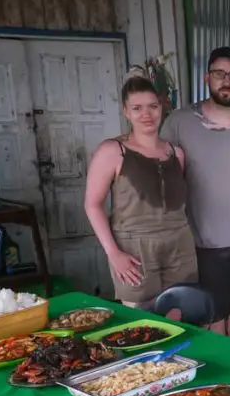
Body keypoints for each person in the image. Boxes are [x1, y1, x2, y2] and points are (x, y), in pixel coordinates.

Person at [162, 46, 230, 341]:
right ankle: (221, 373)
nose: (227, 81)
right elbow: (162, 176)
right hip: (204, 240)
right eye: (219, 74)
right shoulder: (178, 123)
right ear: (207, 78)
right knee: (212, 311)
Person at [83, 76, 197, 311]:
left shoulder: (177, 154)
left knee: (180, 313)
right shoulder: (113, 151)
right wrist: (113, 253)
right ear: (126, 111)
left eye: (153, 107)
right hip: (135, 248)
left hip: (179, 243)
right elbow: (92, 205)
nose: (147, 114)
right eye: (137, 108)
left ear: (161, 107)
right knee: (142, 320)